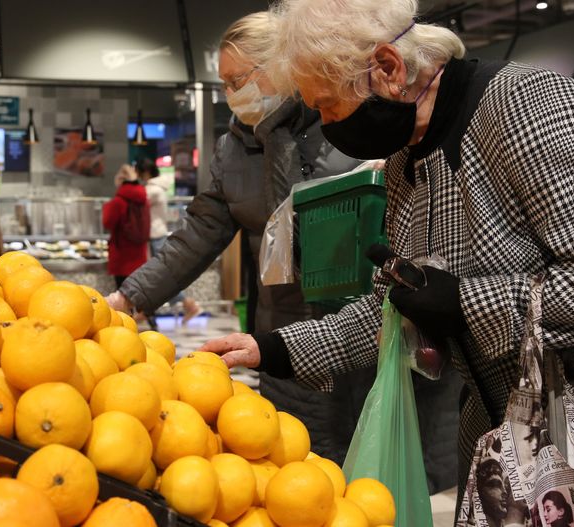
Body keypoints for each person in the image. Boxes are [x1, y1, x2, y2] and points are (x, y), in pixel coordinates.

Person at [200, 0, 574, 522]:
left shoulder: (528, 105)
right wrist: (269, 348)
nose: (328, 126)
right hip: (505, 445)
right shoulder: (406, 163)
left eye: (329, 106)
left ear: (389, 68)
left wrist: (466, 305)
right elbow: (393, 310)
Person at [106, 11, 378, 466]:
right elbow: (199, 232)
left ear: (284, 66)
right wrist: (129, 297)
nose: (232, 95)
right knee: (288, 461)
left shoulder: (343, 122)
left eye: (239, 80)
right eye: (226, 85)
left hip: (357, 326)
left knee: (357, 465)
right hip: (280, 330)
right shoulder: (233, 147)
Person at [135, 158, 201, 324]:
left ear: (145, 172)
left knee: (161, 277)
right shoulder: (158, 188)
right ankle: (146, 312)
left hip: (154, 236)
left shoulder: (152, 190)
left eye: (138, 172)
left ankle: (187, 304)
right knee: (160, 276)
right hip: (157, 234)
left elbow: (135, 203)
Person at [102, 164, 149, 289]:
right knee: (138, 296)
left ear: (120, 181)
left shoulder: (118, 202)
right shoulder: (144, 200)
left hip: (122, 257)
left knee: (123, 300)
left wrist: (107, 206)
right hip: (140, 255)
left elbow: (107, 223)